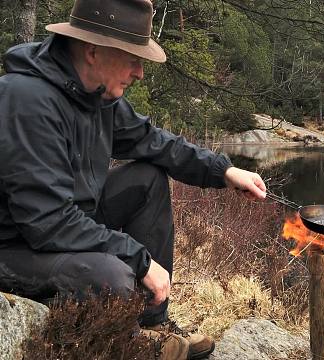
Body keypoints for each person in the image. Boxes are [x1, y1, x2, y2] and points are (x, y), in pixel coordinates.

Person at [0, 0, 267, 359]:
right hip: (16, 247)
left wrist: (223, 171)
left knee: (147, 178)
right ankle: (128, 343)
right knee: (111, 276)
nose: (139, 72)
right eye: (132, 58)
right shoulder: (26, 99)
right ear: (93, 51)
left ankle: (153, 327)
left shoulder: (96, 95)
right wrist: (138, 260)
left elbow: (153, 142)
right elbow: (46, 222)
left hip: (59, 230)